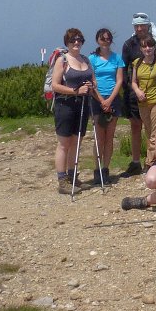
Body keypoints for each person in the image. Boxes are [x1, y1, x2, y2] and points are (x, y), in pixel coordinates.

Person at [51, 28, 95, 195]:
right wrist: (75, 91)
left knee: (76, 142)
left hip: (82, 105)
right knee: (64, 144)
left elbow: (93, 81)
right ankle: (62, 181)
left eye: (79, 39)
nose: (76, 42)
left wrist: (91, 86)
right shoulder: (62, 60)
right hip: (65, 105)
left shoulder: (86, 60)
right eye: (72, 40)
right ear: (67, 43)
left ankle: (72, 176)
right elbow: (55, 85)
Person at [121, 12, 156, 177]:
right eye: (136, 26)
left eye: (142, 25)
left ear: (148, 26)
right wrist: (131, 89)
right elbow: (124, 69)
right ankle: (136, 162)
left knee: (155, 130)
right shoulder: (128, 45)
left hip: (155, 94)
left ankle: (154, 161)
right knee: (136, 127)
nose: (139, 28)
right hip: (134, 93)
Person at [88, 28, 125, 184]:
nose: (106, 41)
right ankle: (97, 170)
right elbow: (91, 81)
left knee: (109, 136)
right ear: (97, 40)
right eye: (102, 39)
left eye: (108, 38)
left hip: (113, 99)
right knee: (99, 137)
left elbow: (119, 80)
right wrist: (102, 100)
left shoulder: (117, 58)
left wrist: (109, 100)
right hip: (96, 99)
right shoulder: (91, 59)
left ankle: (105, 169)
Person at [130, 34, 156, 169]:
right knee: (148, 131)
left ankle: (150, 162)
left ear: (155, 47)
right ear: (141, 48)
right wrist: (137, 91)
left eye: (150, 45)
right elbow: (133, 82)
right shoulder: (137, 63)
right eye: (144, 46)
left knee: (155, 132)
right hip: (142, 102)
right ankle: (155, 160)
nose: (147, 48)